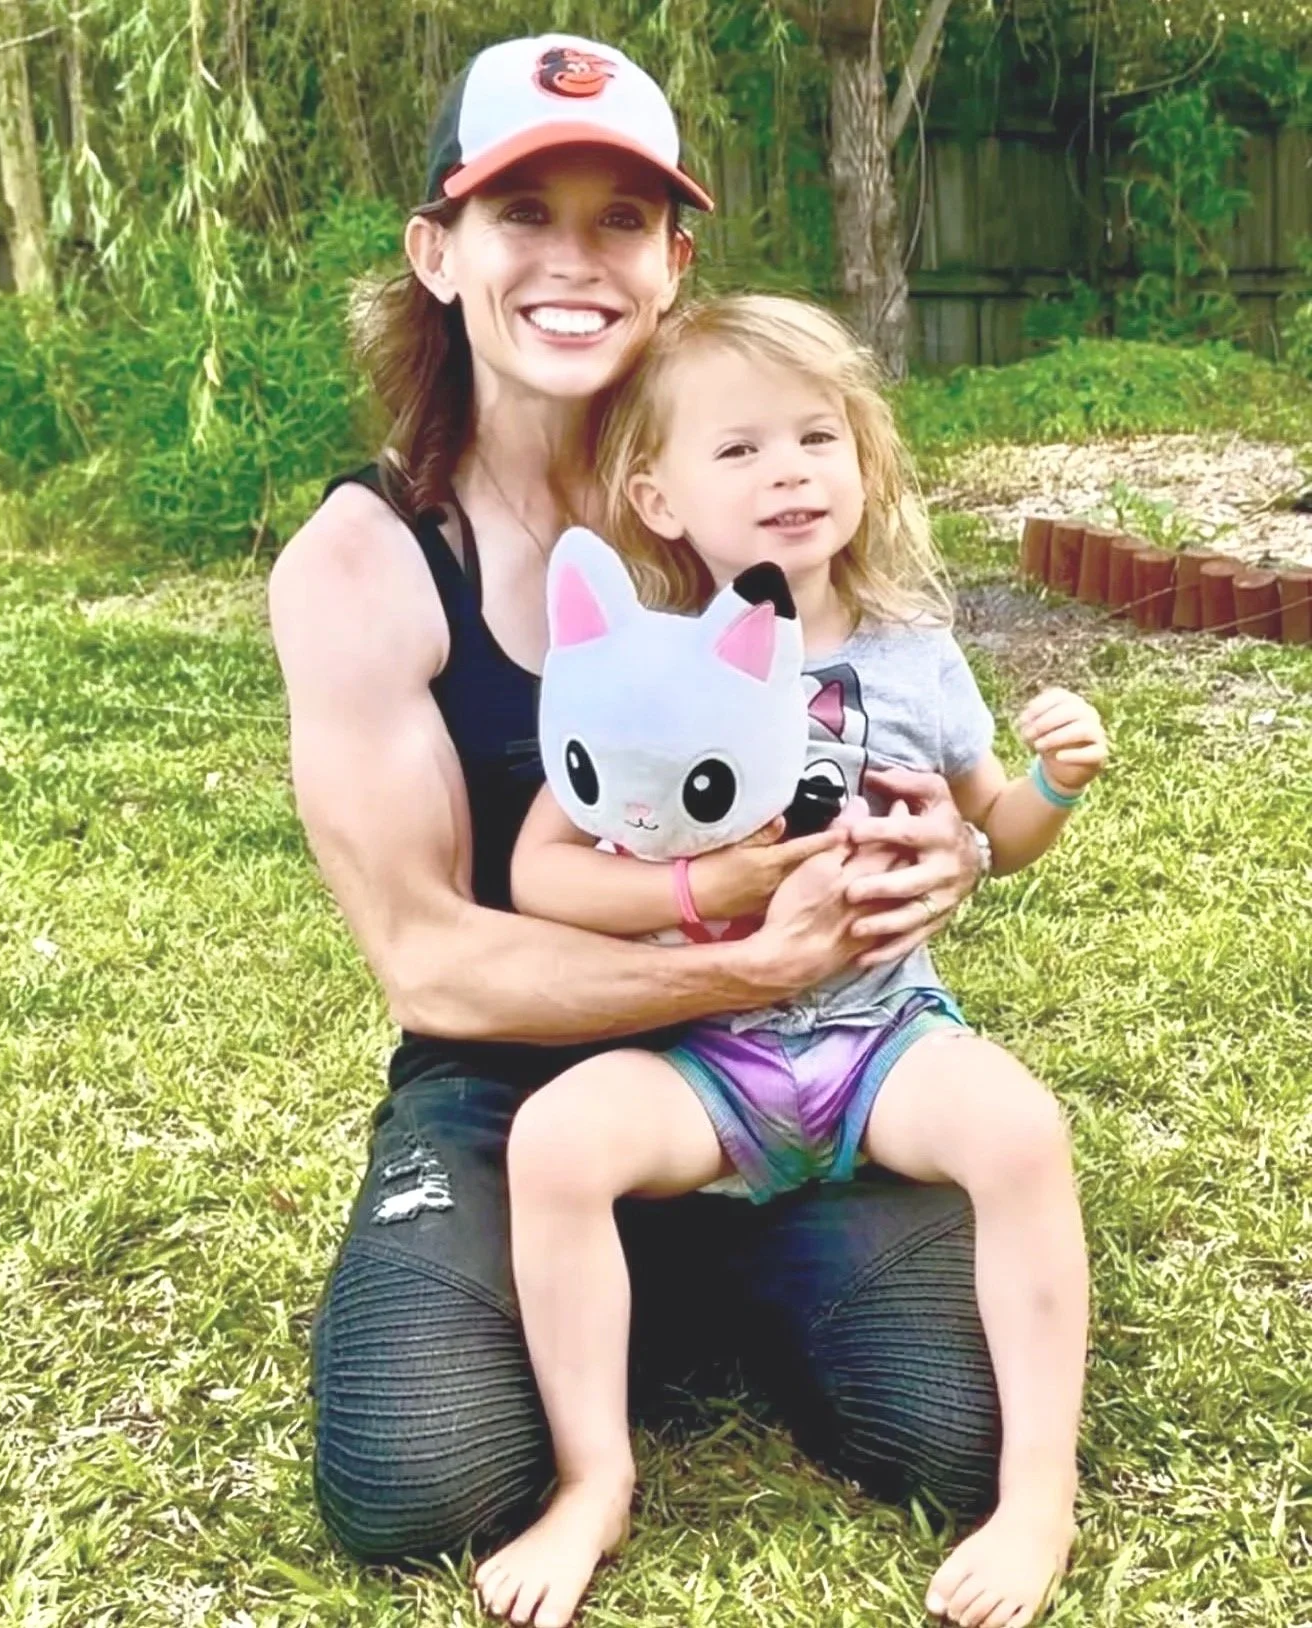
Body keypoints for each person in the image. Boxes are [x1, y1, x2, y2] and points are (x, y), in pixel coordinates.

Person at [269, 27, 998, 1614]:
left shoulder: (734, 499)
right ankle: (591, 1274)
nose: (573, 261)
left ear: (675, 259)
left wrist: (943, 840)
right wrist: (737, 959)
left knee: (964, 1438)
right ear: (437, 250)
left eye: (621, 219)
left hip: (784, 1070)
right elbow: (434, 968)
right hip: (508, 1083)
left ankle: (698, 1262)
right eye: (525, 212)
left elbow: (899, 731)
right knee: (414, 1478)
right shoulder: (370, 560)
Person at [478, 295, 1108, 1628]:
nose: (789, 474)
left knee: (1023, 1134)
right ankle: (596, 1478)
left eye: (817, 437)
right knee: (554, 1146)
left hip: (885, 1037)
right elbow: (542, 871)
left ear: (865, 460)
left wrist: (1051, 779)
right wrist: (704, 888)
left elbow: (998, 832)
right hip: (711, 1054)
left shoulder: (917, 661)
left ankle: (1038, 1492)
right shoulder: (645, 666)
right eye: (741, 449)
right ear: (655, 494)